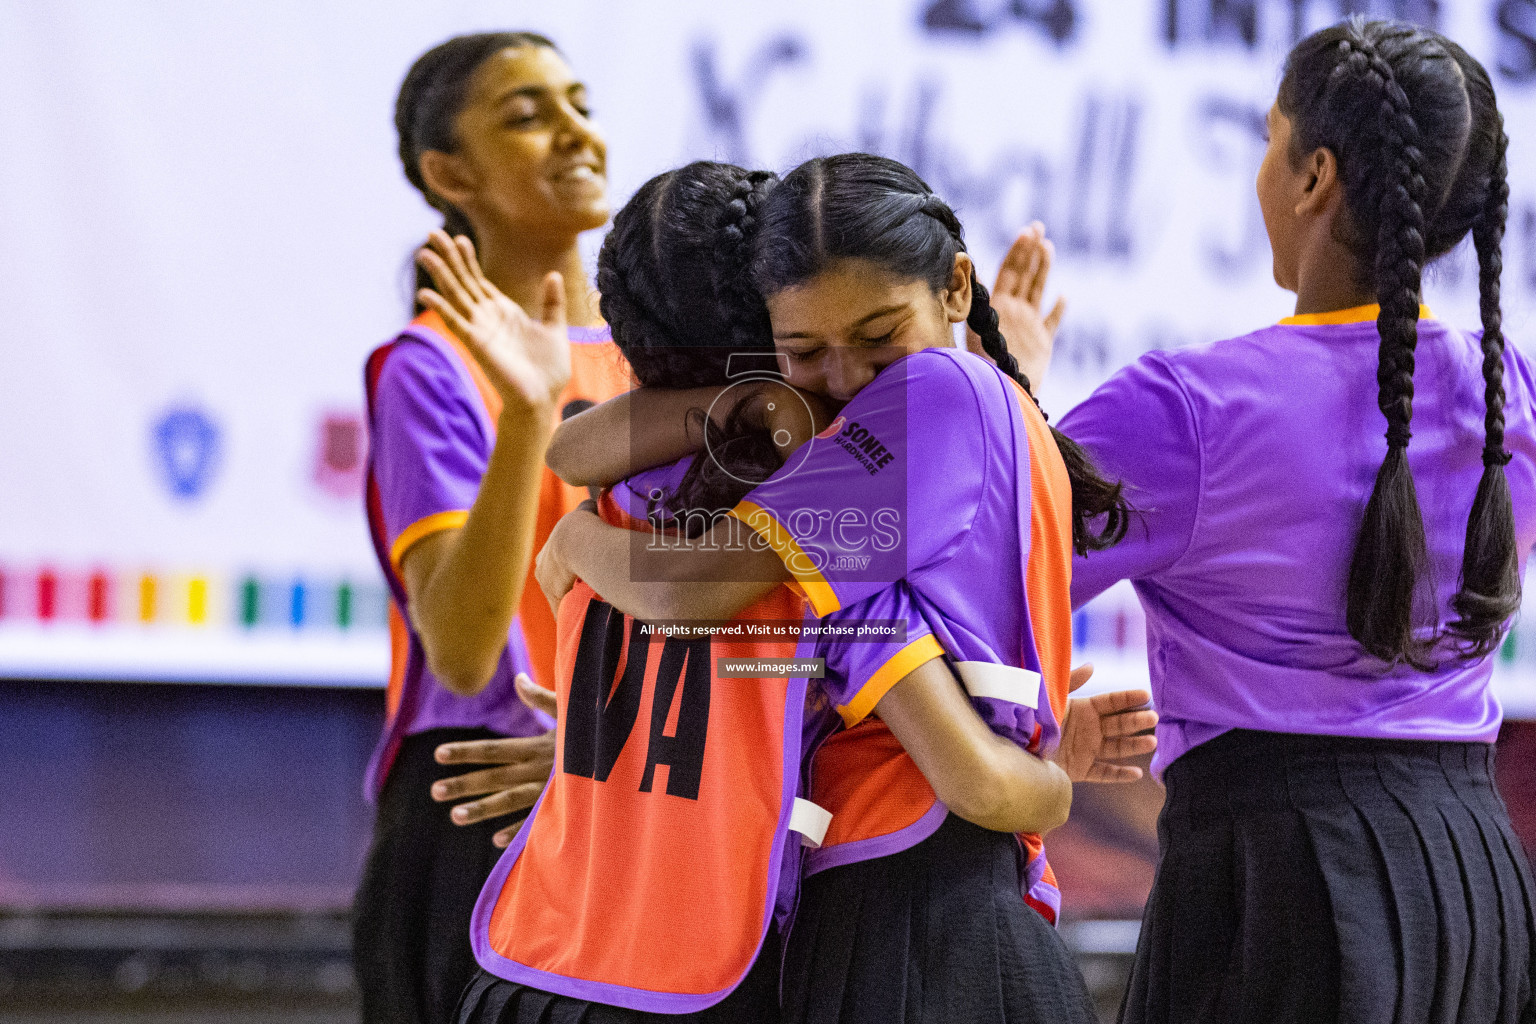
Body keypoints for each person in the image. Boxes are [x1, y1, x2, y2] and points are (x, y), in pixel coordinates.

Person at [410, 160, 1077, 1023]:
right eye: (804, 353)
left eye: (879, 341)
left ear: (954, 286)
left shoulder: (882, 442)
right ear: (766, 339)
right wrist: (1050, 785)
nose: (844, 381)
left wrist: (576, 538)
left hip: (626, 950)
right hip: (871, 917)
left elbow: (668, 558)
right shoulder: (833, 516)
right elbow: (964, 769)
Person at [1046, 19, 1536, 1023]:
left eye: (1268, 139)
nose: (1260, 170)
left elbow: (968, 576)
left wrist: (1000, 389)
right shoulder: (1513, 398)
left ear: (1313, 176)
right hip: (1478, 876)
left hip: (1280, 883)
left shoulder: (1188, 410)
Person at [356, 32, 629, 1024]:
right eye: (526, 115)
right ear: (448, 173)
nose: (573, 133)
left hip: (636, 788)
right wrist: (528, 416)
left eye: (578, 103)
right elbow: (466, 652)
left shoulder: (672, 364)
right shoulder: (430, 369)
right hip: (485, 795)